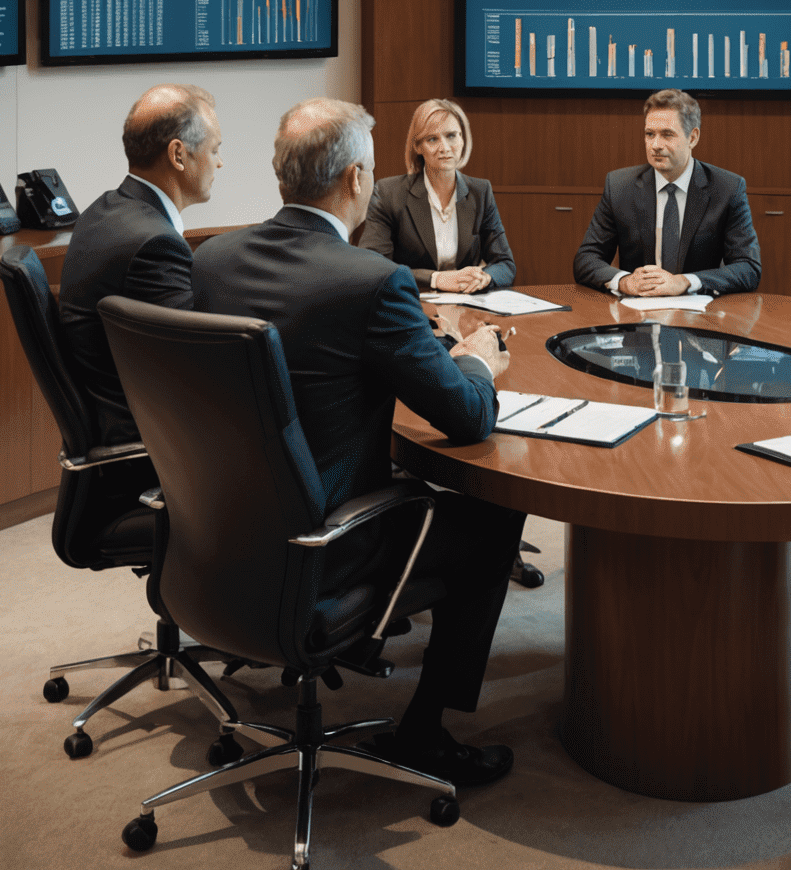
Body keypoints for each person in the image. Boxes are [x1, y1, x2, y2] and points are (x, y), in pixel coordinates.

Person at [191, 97, 525, 788]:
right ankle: (426, 732)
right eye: (371, 169)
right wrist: (476, 360)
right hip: (327, 545)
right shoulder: (371, 283)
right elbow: (467, 416)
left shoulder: (213, 261)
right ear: (353, 182)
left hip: (220, 533)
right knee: (493, 516)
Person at [60, 84, 223, 447]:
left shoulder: (104, 210)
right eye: (215, 150)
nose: (220, 163)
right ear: (179, 155)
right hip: (151, 443)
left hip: (115, 417)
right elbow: (197, 369)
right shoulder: (155, 245)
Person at [572, 88, 761, 297]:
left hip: (700, 316)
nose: (655, 145)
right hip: (637, 313)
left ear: (693, 137)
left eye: (667, 135)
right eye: (649, 134)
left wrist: (685, 282)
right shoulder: (619, 187)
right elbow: (586, 259)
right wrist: (625, 282)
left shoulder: (727, 189)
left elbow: (748, 267)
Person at [361, 98, 515, 292]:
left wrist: (484, 278)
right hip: (411, 304)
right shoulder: (388, 193)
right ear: (418, 147)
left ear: (462, 139)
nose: (444, 148)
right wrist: (435, 279)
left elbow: (505, 264)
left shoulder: (481, 191)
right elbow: (374, 267)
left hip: (468, 305)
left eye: (451, 136)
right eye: (432, 139)